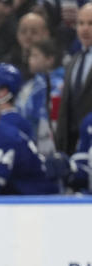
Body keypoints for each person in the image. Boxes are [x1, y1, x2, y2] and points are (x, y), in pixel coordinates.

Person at [55, 3, 92, 154]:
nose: (85, 28)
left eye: (91, 23)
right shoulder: (73, 61)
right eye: (81, 23)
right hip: (70, 145)